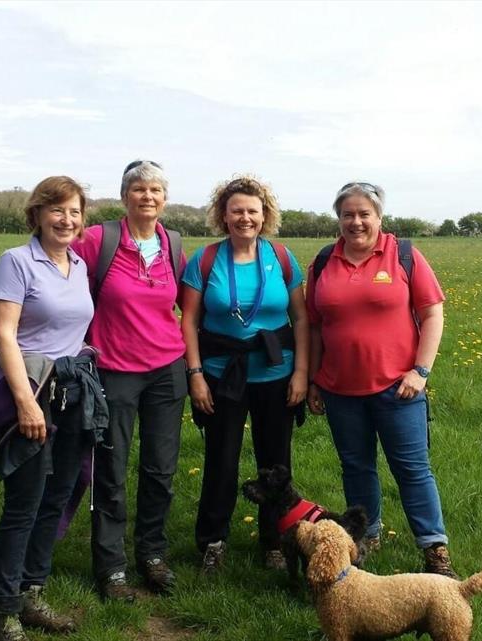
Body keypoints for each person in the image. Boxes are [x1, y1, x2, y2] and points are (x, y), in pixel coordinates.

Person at [305, 181, 457, 578]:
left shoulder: (403, 255)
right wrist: (314, 380)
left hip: (399, 389)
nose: (355, 222)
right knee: (355, 467)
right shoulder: (323, 261)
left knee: (412, 469)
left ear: (379, 217)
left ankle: (434, 549)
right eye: (347, 215)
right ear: (338, 219)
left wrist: (420, 371)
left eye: (363, 214)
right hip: (340, 390)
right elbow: (315, 327)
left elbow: (433, 314)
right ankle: (365, 536)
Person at [71, 160, 187, 601]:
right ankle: (111, 566)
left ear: (164, 198)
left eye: (156, 189)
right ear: (125, 197)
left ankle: (153, 554)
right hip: (114, 370)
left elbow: (185, 305)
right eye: (139, 189)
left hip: (166, 370)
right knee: (112, 470)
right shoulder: (99, 240)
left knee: (160, 469)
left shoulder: (173, 244)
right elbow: (58, 268)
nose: (148, 196)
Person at [0, 176, 95, 641]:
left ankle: (33, 593)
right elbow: (6, 335)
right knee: (24, 504)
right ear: (37, 214)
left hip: (75, 393)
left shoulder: (78, 265)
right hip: (33, 392)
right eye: (56, 210)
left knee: (58, 497)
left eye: (73, 211)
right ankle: (3, 613)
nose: (66, 219)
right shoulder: (16, 261)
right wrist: (26, 402)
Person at [181, 176, 309, 573]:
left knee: (276, 463)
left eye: (253, 211)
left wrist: (302, 372)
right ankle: (213, 541)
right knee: (221, 459)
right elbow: (188, 321)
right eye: (236, 210)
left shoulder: (283, 259)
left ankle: (274, 541)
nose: (245, 218)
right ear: (224, 214)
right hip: (222, 375)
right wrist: (196, 375)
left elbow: (302, 318)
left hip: (276, 374)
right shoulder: (204, 260)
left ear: (265, 215)